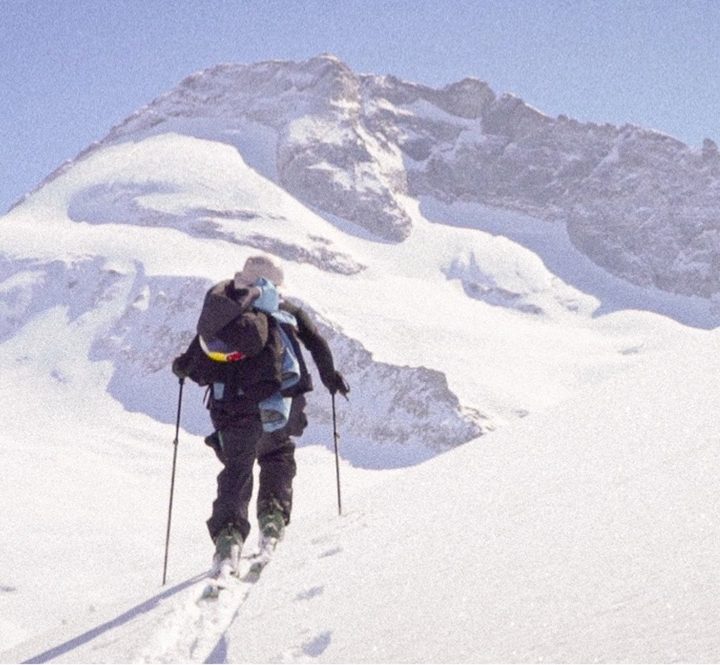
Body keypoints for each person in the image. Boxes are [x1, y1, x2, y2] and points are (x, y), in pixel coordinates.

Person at [172, 256, 349, 577]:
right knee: (277, 455)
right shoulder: (285, 310)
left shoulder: (225, 315)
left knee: (237, 468)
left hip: (230, 406)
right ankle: (272, 519)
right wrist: (331, 377)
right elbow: (316, 342)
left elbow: (191, 358)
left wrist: (182, 369)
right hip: (278, 404)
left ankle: (228, 542)